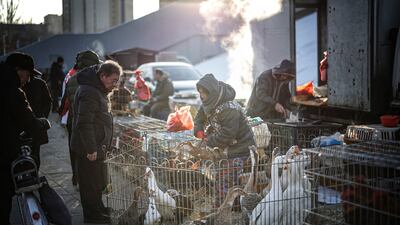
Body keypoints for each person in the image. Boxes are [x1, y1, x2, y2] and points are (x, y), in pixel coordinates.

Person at [0, 52, 51, 225]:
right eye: (28, 74)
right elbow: (29, 122)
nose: (28, 80)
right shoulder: (13, 92)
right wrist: (42, 123)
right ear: (18, 71)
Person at [70, 60, 122, 224]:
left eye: (117, 80)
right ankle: (92, 215)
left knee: (97, 180)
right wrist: (91, 149)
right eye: (113, 80)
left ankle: (99, 208)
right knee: (89, 183)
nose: (115, 84)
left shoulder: (98, 89)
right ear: (102, 76)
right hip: (88, 148)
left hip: (97, 145)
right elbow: (84, 123)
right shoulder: (90, 91)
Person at [193, 73, 255, 207]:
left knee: (224, 178)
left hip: (240, 148)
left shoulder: (229, 109)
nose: (201, 96)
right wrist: (199, 130)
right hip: (226, 147)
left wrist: (208, 140)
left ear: (212, 91)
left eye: (204, 92)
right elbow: (199, 117)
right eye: (200, 92)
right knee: (219, 174)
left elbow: (228, 135)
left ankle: (222, 210)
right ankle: (230, 206)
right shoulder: (209, 101)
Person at [60, 50, 101, 189]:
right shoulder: (93, 81)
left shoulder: (71, 78)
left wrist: (62, 115)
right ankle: (90, 182)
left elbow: (65, 100)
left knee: (75, 150)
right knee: (90, 150)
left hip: (73, 120)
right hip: (89, 121)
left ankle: (76, 178)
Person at [21, 68, 52, 169]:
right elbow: (48, 102)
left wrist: (42, 117)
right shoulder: (39, 83)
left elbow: (48, 102)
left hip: (28, 124)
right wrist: (43, 117)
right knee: (34, 150)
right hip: (32, 122)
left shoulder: (38, 83)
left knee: (30, 150)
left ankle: (31, 172)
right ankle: (32, 172)